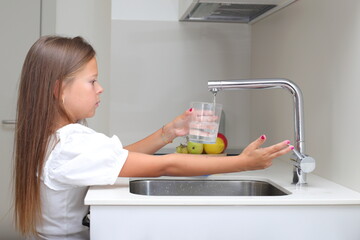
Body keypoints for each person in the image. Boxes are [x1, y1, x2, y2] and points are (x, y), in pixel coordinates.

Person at [14, 36, 293, 240]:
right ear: (59, 89)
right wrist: (241, 163)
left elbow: (115, 159)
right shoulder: (71, 143)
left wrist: (168, 133)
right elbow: (166, 166)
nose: (100, 89)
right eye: (92, 81)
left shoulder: (58, 139)